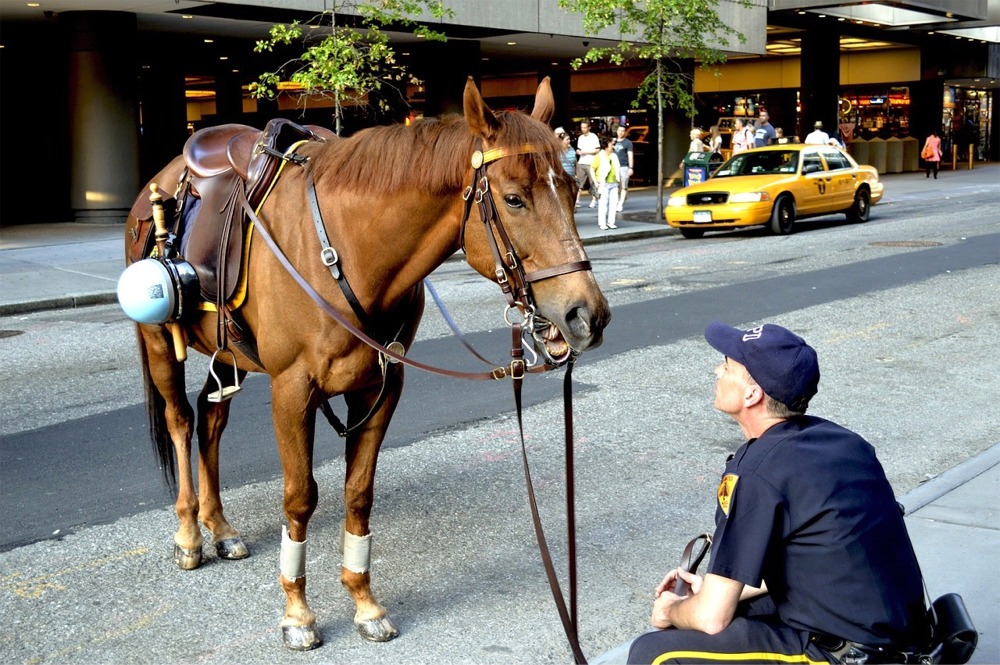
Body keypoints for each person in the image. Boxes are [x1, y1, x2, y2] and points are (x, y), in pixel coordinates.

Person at [628, 321, 930, 665]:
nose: (717, 369)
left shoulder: (756, 471)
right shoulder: (841, 441)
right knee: (735, 606)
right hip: (900, 634)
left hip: (850, 654)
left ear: (751, 395)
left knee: (654, 652)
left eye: (727, 366)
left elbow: (711, 618)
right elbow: (818, 558)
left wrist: (671, 610)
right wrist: (713, 588)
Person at [593, 136, 621, 230]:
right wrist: (595, 182)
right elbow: (592, 168)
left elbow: (618, 170)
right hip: (603, 183)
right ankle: (602, 223)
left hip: (614, 183)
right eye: (611, 144)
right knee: (603, 204)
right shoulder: (599, 156)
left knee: (613, 203)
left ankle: (611, 222)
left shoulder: (614, 156)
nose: (613, 146)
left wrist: (619, 182)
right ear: (606, 146)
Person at [574, 120, 601, 208]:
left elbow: (597, 150)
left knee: (593, 182)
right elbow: (578, 149)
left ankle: (594, 200)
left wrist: (586, 152)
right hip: (581, 162)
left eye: (585, 127)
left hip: (591, 163)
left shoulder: (594, 137)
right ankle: (577, 200)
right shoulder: (580, 137)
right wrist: (578, 151)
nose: (583, 129)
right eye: (582, 127)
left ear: (589, 127)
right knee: (579, 183)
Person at [613, 125, 635, 212]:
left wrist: (630, 167)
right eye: (619, 130)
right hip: (614, 167)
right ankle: (620, 199)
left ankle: (620, 204)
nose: (620, 132)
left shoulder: (628, 143)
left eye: (622, 131)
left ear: (625, 132)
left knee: (624, 186)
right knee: (616, 186)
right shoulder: (613, 141)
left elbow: (630, 155)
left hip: (624, 166)